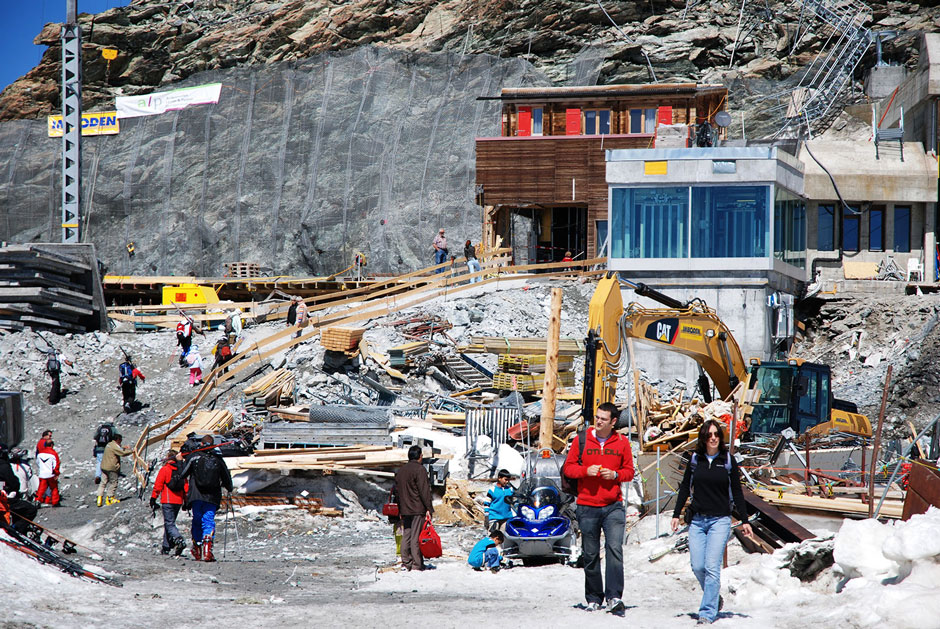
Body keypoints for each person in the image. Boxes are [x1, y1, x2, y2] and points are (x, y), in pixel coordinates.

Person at [671, 419, 753, 625]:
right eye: (709, 435)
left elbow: (736, 491)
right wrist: (675, 514)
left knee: (712, 567)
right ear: (703, 438)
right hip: (697, 521)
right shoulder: (695, 459)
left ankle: (707, 612)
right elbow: (683, 488)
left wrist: (744, 519)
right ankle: (715, 597)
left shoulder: (727, 460)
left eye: (716, 434)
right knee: (698, 566)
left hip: (720, 521)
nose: (713, 438)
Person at [563, 401, 635, 615]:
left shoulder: (622, 442)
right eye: (597, 417)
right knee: (591, 553)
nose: (598, 422)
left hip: (613, 506)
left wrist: (615, 475)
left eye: (603, 419)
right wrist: (587, 471)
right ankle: (594, 597)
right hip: (587, 506)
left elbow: (629, 472)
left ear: (613, 422)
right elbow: (568, 468)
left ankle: (614, 597)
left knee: (615, 550)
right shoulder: (581, 439)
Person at [174, 435, 233, 562]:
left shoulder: (194, 457)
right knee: (208, 520)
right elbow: (227, 478)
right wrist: (229, 488)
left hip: (196, 494)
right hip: (212, 495)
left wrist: (179, 461)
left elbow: (183, 474)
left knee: (197, 520)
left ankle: (197, 549)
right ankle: (207, 551)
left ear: (201, 444)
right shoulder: (218, 459)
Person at [394, 444, 433, 571]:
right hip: (417, 508)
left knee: (407, 535)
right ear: (420, 456)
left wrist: (400, 509)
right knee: (416, 537)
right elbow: (424, 490)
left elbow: (397, 492)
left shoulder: (401, 471)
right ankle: (417, 564)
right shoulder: (420, 470)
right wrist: (429, 508)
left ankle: (406, 562)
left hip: (405, 509)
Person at [150, 449, 188, 556]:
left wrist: (153, 498)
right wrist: (186, 501)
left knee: (169, 523)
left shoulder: (165, 469)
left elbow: (158, 485)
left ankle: (179, 539)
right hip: (179, 500)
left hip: (167, 500)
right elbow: (186, 487)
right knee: (170, 523)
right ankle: (166, 547)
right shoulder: (181, 470)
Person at [0, 444, 39, 533]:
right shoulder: (4, 466)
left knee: (19, 510)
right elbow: (14, 482)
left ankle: (16, 528)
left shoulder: (15, 465)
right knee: (30, 510)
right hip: (6, 498)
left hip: (8, 495)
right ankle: (17, 530)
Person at [98, 433, 134, 507]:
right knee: (113, 482)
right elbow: (122, 453)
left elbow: (119, 448)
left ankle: (99, 499)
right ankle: (110, 498)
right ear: (118, 439)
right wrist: (131, 451)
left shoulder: (110, 444)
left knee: (103, 483)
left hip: (104, 466)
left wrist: (124, 447)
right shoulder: (114, 446)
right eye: (120, 440)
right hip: (111, 468)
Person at [36, 436, 61, 507]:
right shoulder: (53, 454)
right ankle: (55, 502)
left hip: (42, 474)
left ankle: (37, 500)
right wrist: (56, 473)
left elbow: (37, 463)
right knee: (54, 488)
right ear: (52, 445)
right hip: (51, 474)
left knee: (41, 489)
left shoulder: (40, 454)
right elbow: (56, 465)